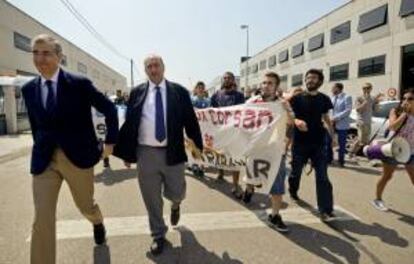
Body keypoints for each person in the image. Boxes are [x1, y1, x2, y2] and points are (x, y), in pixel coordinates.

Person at [22, 34, 118, 264]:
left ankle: (96, 221)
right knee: (42, 218)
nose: (39, 58)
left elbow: (110, 109)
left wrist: (109, 143)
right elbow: (37, 126)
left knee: (85, 206)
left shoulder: (79, 84)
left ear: (59, 57)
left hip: (77, 157)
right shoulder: (28, 89)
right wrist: (42, 148)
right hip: (45, 160)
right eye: (35, 52)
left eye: (46, 53)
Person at [113, 55, 203, 255]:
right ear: (145, 70)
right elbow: (130, 123)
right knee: (151, 198)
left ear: (163, 67)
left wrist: (197, 146)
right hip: (145, 153)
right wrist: (128, 152)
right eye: (149, 67)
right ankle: (158, 234)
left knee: (177, 191)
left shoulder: (178, 92)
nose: (153, 69)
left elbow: (190, 120)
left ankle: (176, 204)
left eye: (156, 65)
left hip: (173, 151)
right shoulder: (137, 92)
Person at [244, 72, 294, 232]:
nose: (266, 86)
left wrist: (289, 112)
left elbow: (292, 122)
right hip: (256, 147)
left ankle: (275, 215)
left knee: (277, 182)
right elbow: (239, 120)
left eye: (270, 83)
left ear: (276, 86)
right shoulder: (252, 102)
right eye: (264, 83)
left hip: (275, 150)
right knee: (252, 175)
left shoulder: (282, 104)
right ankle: (249, 188)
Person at [288, 69, 335, 221]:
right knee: (296, 173)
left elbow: (326, 118)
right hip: (300, 143)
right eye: (308, 78)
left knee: (322, 177)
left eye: (313, 78)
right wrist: (296, 121)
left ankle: (325, 210)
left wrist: (332, 136)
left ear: (320, 81)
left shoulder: (324, 99)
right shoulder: (296, 98)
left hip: (318, 143)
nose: (310, 80)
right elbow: (289, 117)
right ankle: (293, 189)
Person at [372, 88, 414, 211]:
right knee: (387, 176)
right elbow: (392, 127)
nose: (406, 101)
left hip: (410, 151)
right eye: (404, 98)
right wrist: (405, 114)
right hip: (394, 149)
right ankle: (377, 199)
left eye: (410, 98)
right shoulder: (395, 111)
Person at [210, 72, 245, 198]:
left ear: (233, 80)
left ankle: (235, 184)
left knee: (235, 158)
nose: (226, 79)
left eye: (229, 78)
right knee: (219, 153)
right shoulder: (216, 95)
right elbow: (211, 113)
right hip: (220, 131)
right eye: (224, 78)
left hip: (234, 132)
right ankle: (221, 172)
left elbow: (243, 111)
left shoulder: (239, 96)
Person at [350, 83, 382, 157]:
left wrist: (377, 102)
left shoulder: (373, 98)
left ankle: (365, 155)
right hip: (361, 121)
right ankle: (352, 153)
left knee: (366, 140)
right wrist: (366, 100)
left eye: (368, 88)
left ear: (371, 89)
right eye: (364, 88)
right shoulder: (359, 98)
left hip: (368, 121)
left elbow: (376, 110)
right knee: (360, 140)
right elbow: (358, 110)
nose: (366, 90)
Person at [328, 83, 352, 167]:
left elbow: (348, 110)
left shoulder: (347, 97)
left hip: (342, 125)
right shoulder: (332, 98)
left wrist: (336, 118)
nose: (332, 90)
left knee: (341, 144)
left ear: (338, 88)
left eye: (333, 88)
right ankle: (329, 159)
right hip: (331, 124)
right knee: (329, 142)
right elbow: (330, 110)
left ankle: (341, 161)